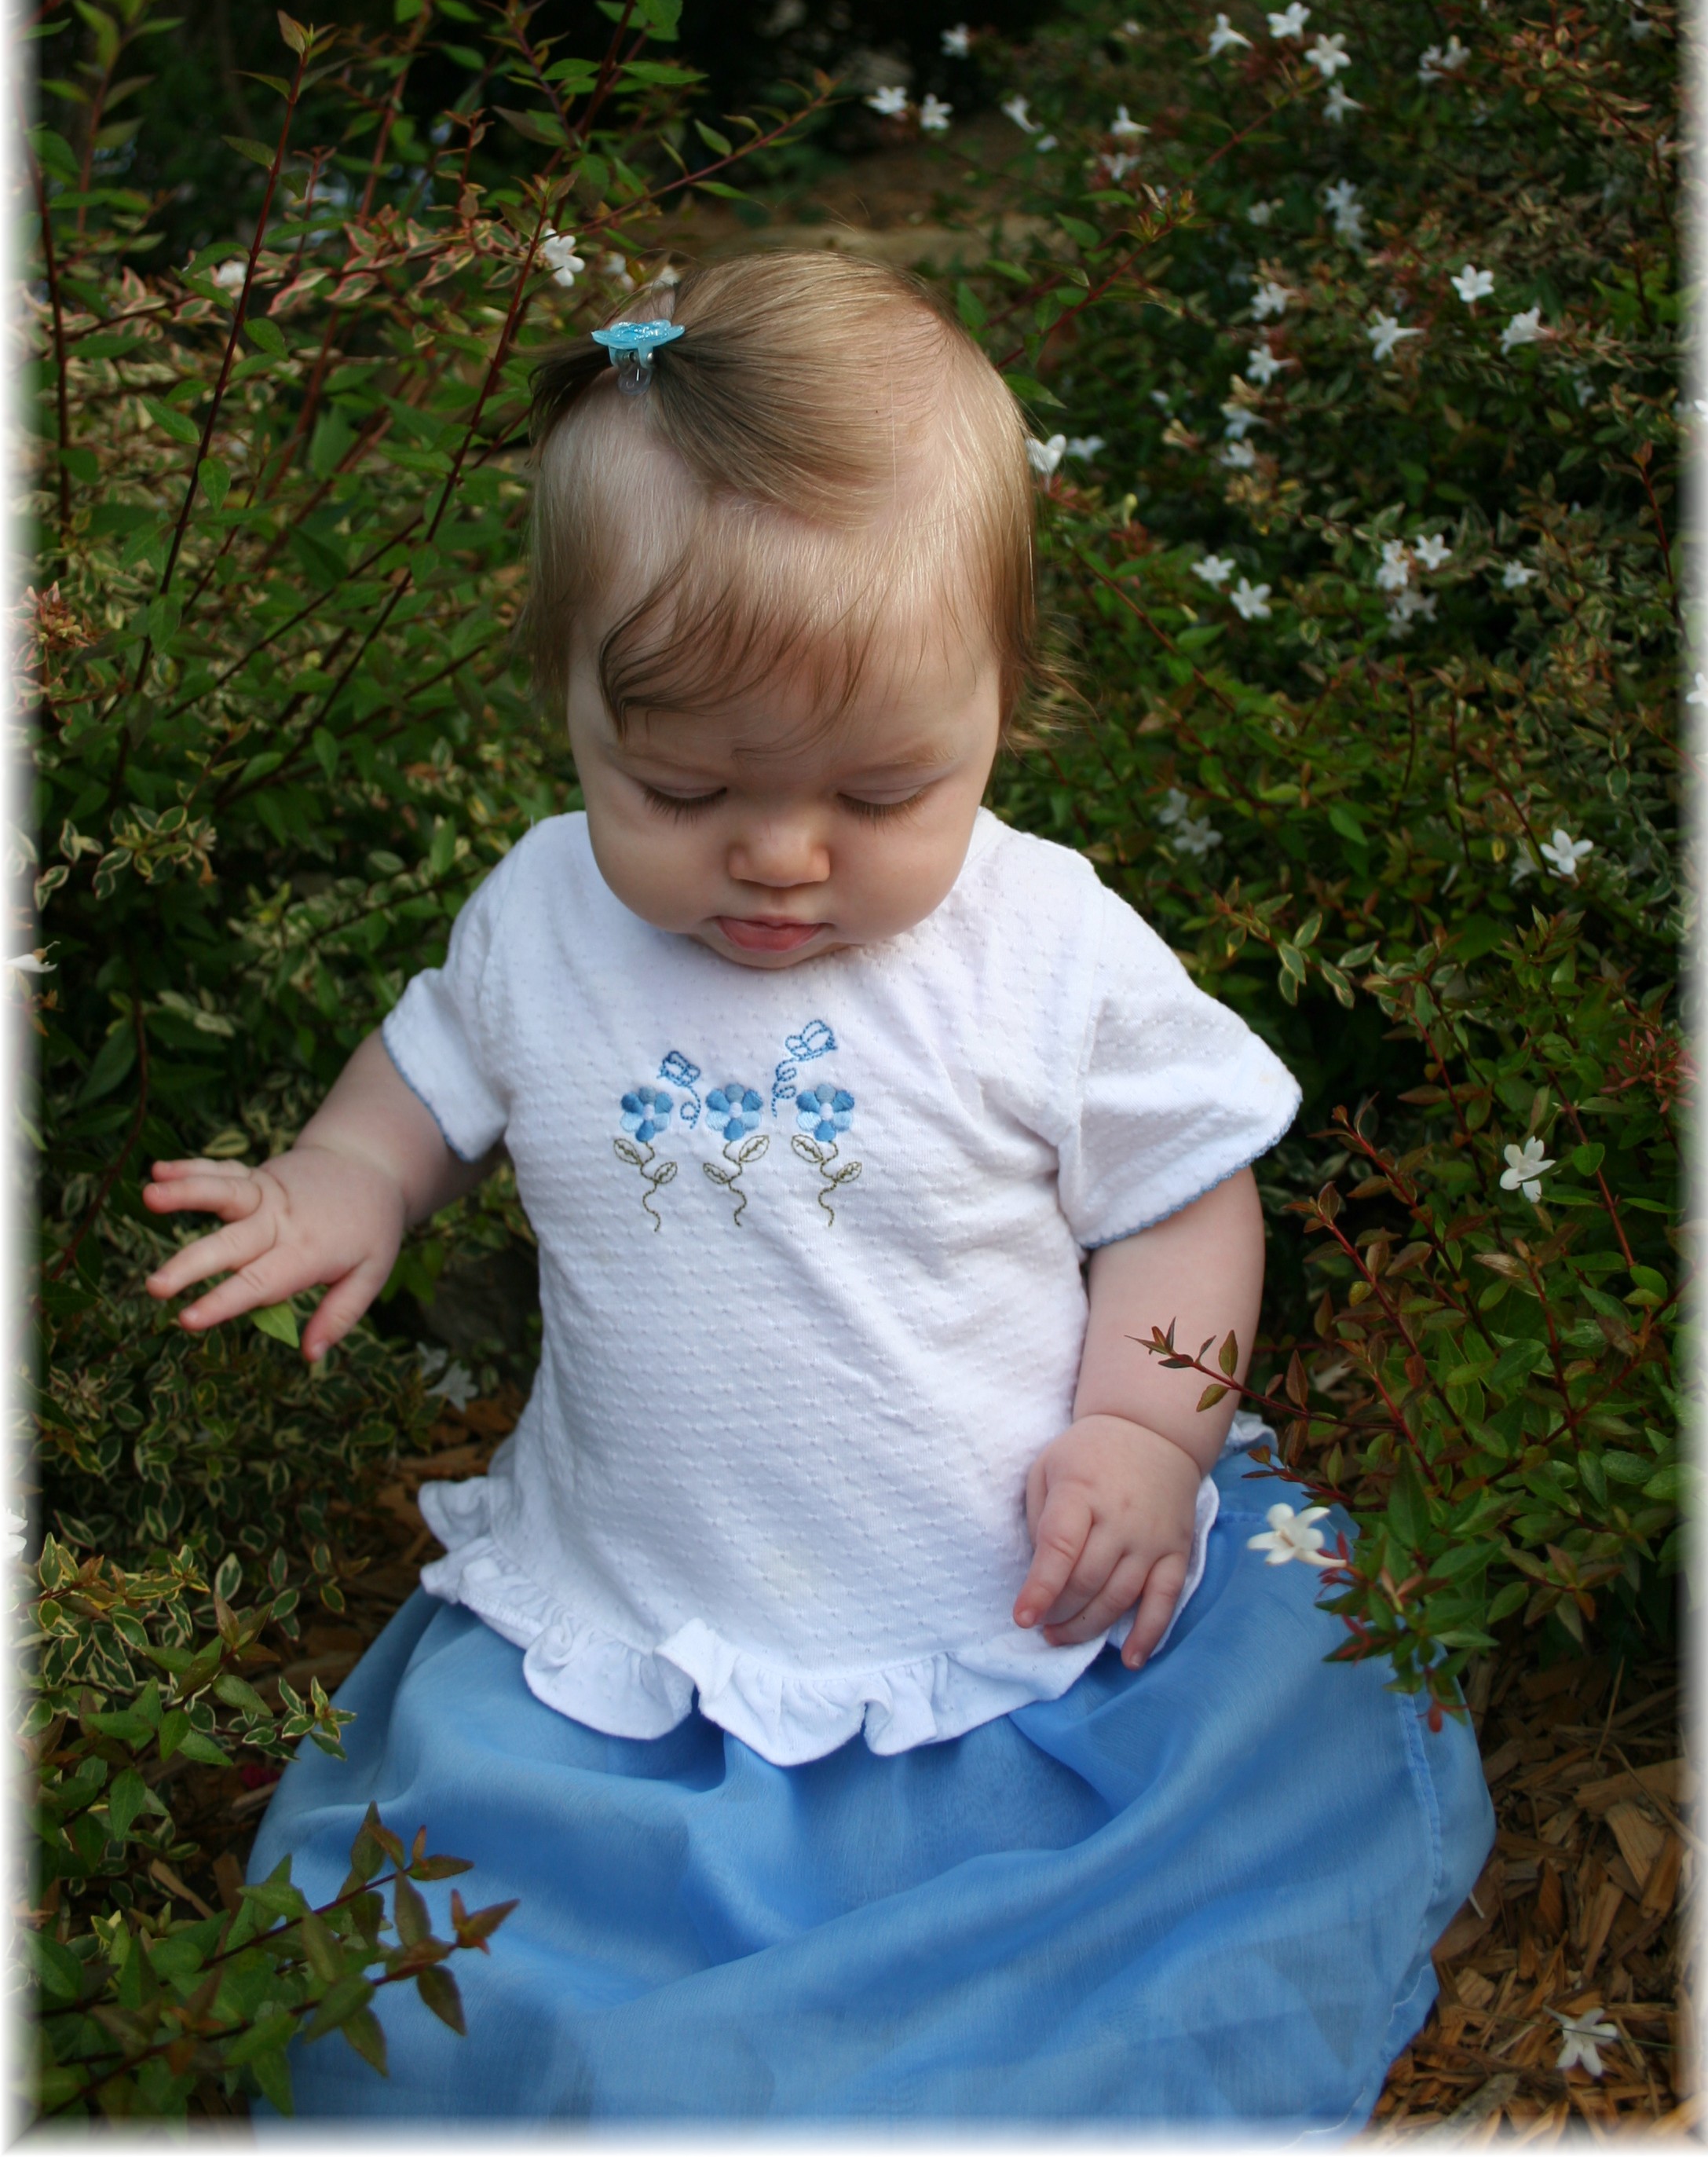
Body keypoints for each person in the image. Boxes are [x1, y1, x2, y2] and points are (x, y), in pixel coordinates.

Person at [144, 251, 1490, 2126]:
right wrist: (345, 1179)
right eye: (682, 792)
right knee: (497, 1954)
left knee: (1121, 1897)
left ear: (1000, 703)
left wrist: (1147, 1431)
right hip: (641, 1601)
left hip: (1003, 1610)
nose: (779, 856)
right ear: (567, 708)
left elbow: (1182, 1200)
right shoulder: (541, 915)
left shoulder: (1042, 949)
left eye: (877, 795)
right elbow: (430, 1079)